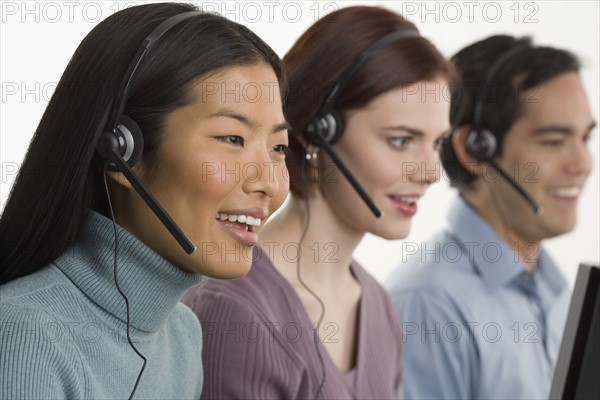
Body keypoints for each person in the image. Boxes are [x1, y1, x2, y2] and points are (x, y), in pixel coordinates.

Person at [0, 3, 289, 398]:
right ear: (122, 150)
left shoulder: (182, 335)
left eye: (278, 147)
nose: (269, 183)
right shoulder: (25, 335)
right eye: (232, 139)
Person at [182, 6, 455, 399]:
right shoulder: (236, 312)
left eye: (437, 143)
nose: (431, 172)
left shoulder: (377, 305)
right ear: (315, 132)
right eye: (401, 140)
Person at [387, 35, 595, 399]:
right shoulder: (430, 304)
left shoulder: (554, 287)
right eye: (553, 141)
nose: (582, 164)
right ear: (475, 150)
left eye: (584, 138)